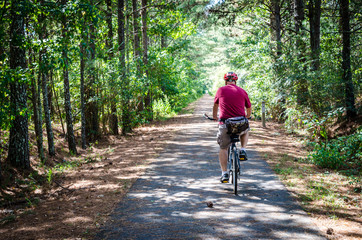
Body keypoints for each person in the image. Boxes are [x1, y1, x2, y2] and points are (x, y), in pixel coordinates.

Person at [213, 72, 252, 183]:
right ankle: (243, 149)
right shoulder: (242, 91)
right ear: (235, 81)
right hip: (240, 123)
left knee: (223, 148)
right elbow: (248, 107)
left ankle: (224, 174)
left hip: (225, 123)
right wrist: (247, 117)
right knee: (246, 129)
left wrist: (215, 117)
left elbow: (215, 105)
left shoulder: (221, 90)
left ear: (226, 81)